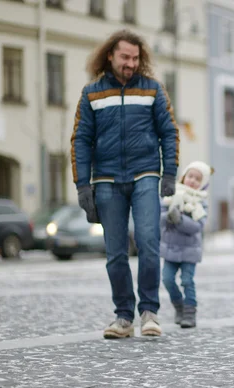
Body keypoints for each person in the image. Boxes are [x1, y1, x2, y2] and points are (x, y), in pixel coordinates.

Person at [70, 29, 179, 338]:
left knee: (147, 242)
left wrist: (168, 173)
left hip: (145, 174)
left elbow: (169, 132)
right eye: (125, 57)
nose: (131, 63)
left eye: (135, 58)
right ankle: (123, 317)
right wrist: (82, 186)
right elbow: (81, 140)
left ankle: (149, 312)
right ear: (110, 56)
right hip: (105, 180)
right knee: (115, 253)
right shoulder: (91, 93)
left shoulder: (152, 90)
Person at [160, 161, 213, 328]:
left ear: (202, 184)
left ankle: (190, 312)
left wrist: (179, 219)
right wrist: (169, 215)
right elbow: (160, 218)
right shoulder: (170, 196)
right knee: (167, 279)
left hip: (190, 249)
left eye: (198, 179)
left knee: (187, 281)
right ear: (183, 177)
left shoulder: (200, 202)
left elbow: (197, 226)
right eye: (190, 176)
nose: (193, 181)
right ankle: (179, 306)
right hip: (170, 248)